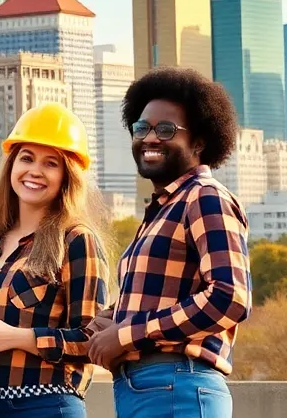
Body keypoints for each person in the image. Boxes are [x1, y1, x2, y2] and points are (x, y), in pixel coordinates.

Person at [88, 67, 252, 418]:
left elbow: (230, 297)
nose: (149, 138)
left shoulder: (205, 197)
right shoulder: (162, 209)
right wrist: (109, 320)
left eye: (166, 130)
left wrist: (126, 334)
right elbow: (162, 297)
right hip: (146, 388)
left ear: (199, 142)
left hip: (179, 384)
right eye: (142, 128)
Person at [0, 102, 111, 418]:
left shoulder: (76, 240)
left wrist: (17, 337)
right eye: (27, 158)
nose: (35, 170)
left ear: (67, 176)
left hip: (43, 406)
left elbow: (92, 340)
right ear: (11, 166)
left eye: (51, 163)